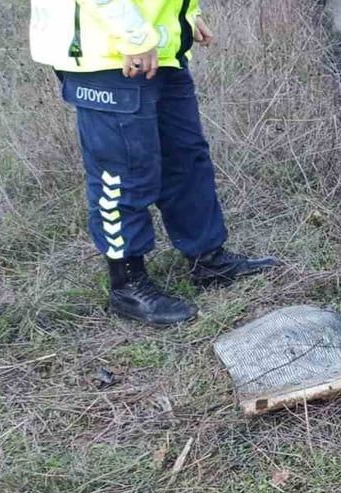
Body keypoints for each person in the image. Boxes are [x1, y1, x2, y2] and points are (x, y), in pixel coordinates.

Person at [29, 0, 276, 326]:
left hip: (160, 48)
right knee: (122, 172)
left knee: (187, 158)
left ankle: (207, 259)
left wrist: (187, 15)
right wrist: (133, 35)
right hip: (108, 52)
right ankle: (127, 285)